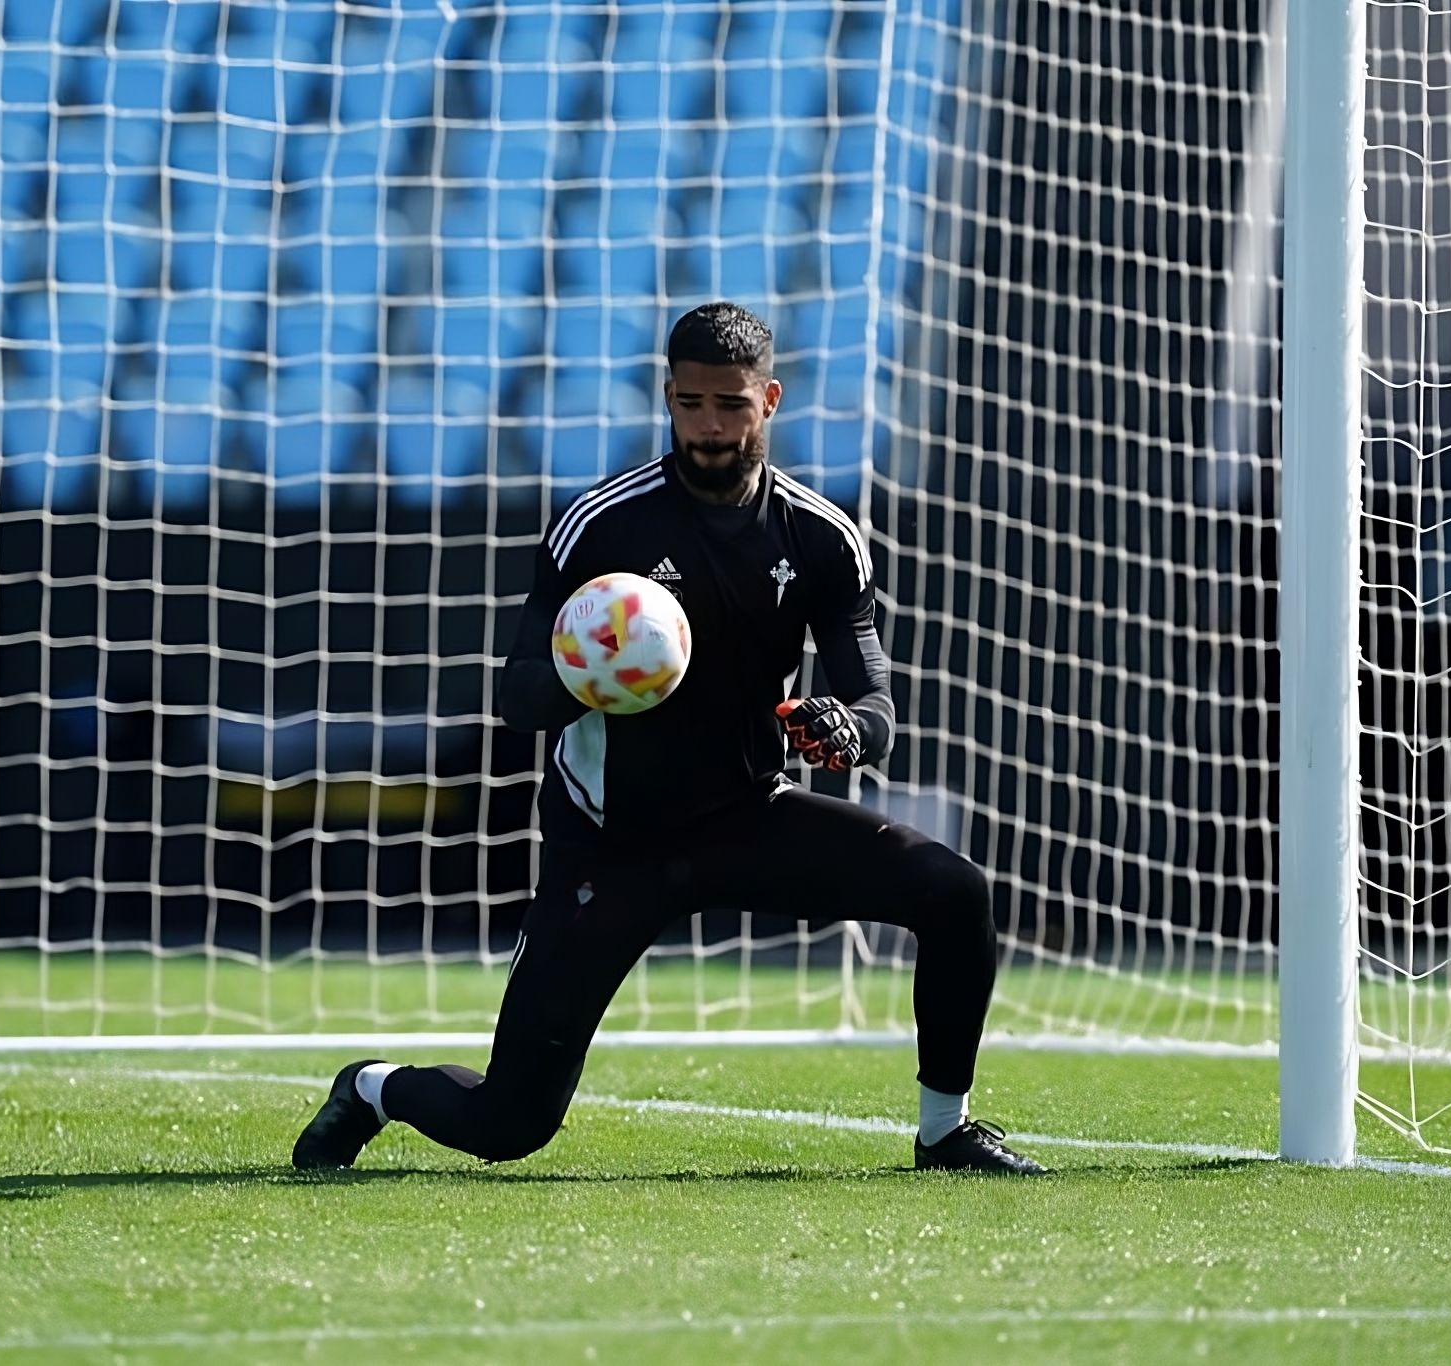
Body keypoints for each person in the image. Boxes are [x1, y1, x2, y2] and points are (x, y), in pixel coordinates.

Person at [293, 302, 1045, 1175]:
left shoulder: (822, 537)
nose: (710, 427)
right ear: (667, 398)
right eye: (690, 405)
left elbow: (875, 701)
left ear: (770, 400)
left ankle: (944, 1132)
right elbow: (517, 697)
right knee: (509, 1126)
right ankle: (373, 1086)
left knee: (953, 892)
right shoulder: (602, 526)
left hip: (750, 817)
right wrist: (589, 674)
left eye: (730, 405)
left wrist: (845, 728)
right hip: (613, 844)